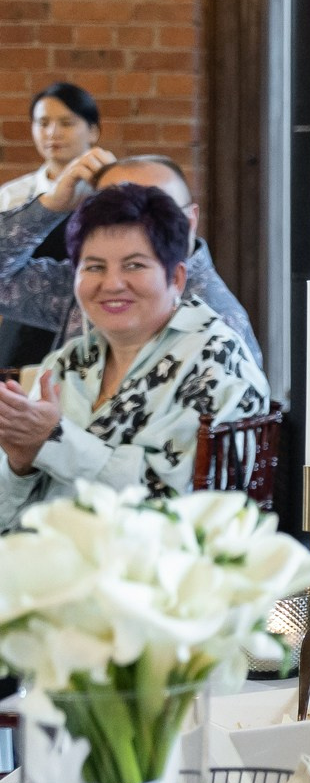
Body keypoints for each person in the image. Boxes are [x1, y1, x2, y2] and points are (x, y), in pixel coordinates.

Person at [0, 184, 272, 528]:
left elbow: (184, 510)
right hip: (41, 565)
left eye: (134, 265)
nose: (112, 284)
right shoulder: (69, 362)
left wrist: (55, 441)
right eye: (94, 267)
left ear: (175, 277)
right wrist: (20, 464)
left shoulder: (216, 361)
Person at [0, 152, 260, 374]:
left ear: (190, 221)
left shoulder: (219, 324)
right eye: (112, 214)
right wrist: (51, 205)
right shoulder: (84, 283)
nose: (113, 284)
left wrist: (48, 430)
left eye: (156, 214)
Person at [0, 83, 109, 369]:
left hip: (95, 325)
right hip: (22, 329)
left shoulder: (112, 191)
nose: (52, 133)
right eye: (43, 123)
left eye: (66, 123)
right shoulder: (12, 195)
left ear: (93, 131)